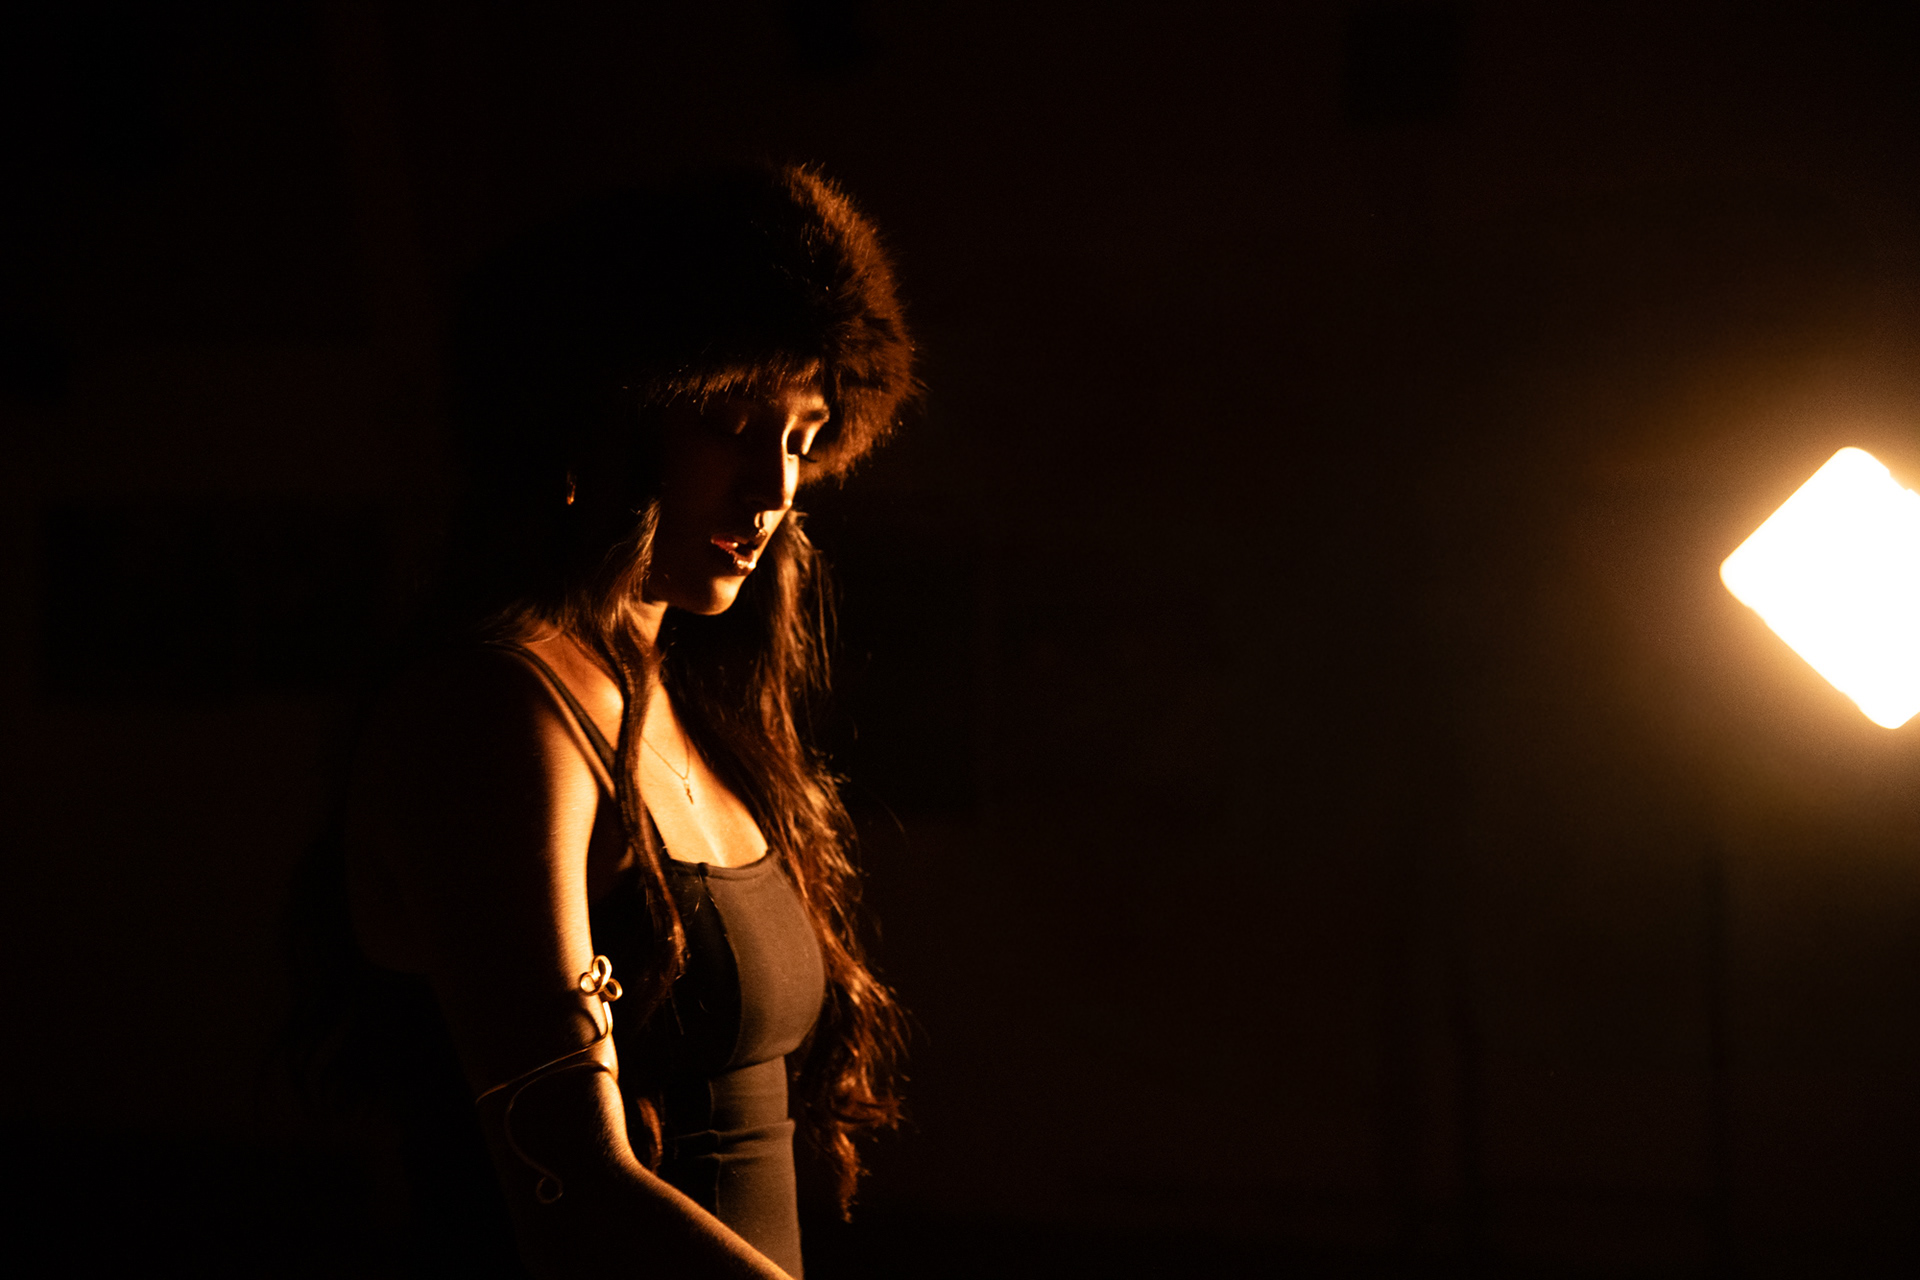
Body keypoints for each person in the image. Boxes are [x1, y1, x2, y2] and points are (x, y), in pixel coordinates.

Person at [287, 163, 914, 1279]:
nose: (774, 489)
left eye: (802, 436)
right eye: (733, 424)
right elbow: (572, 1188)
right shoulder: (493, 711)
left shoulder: (691, 701)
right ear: (606, 421)